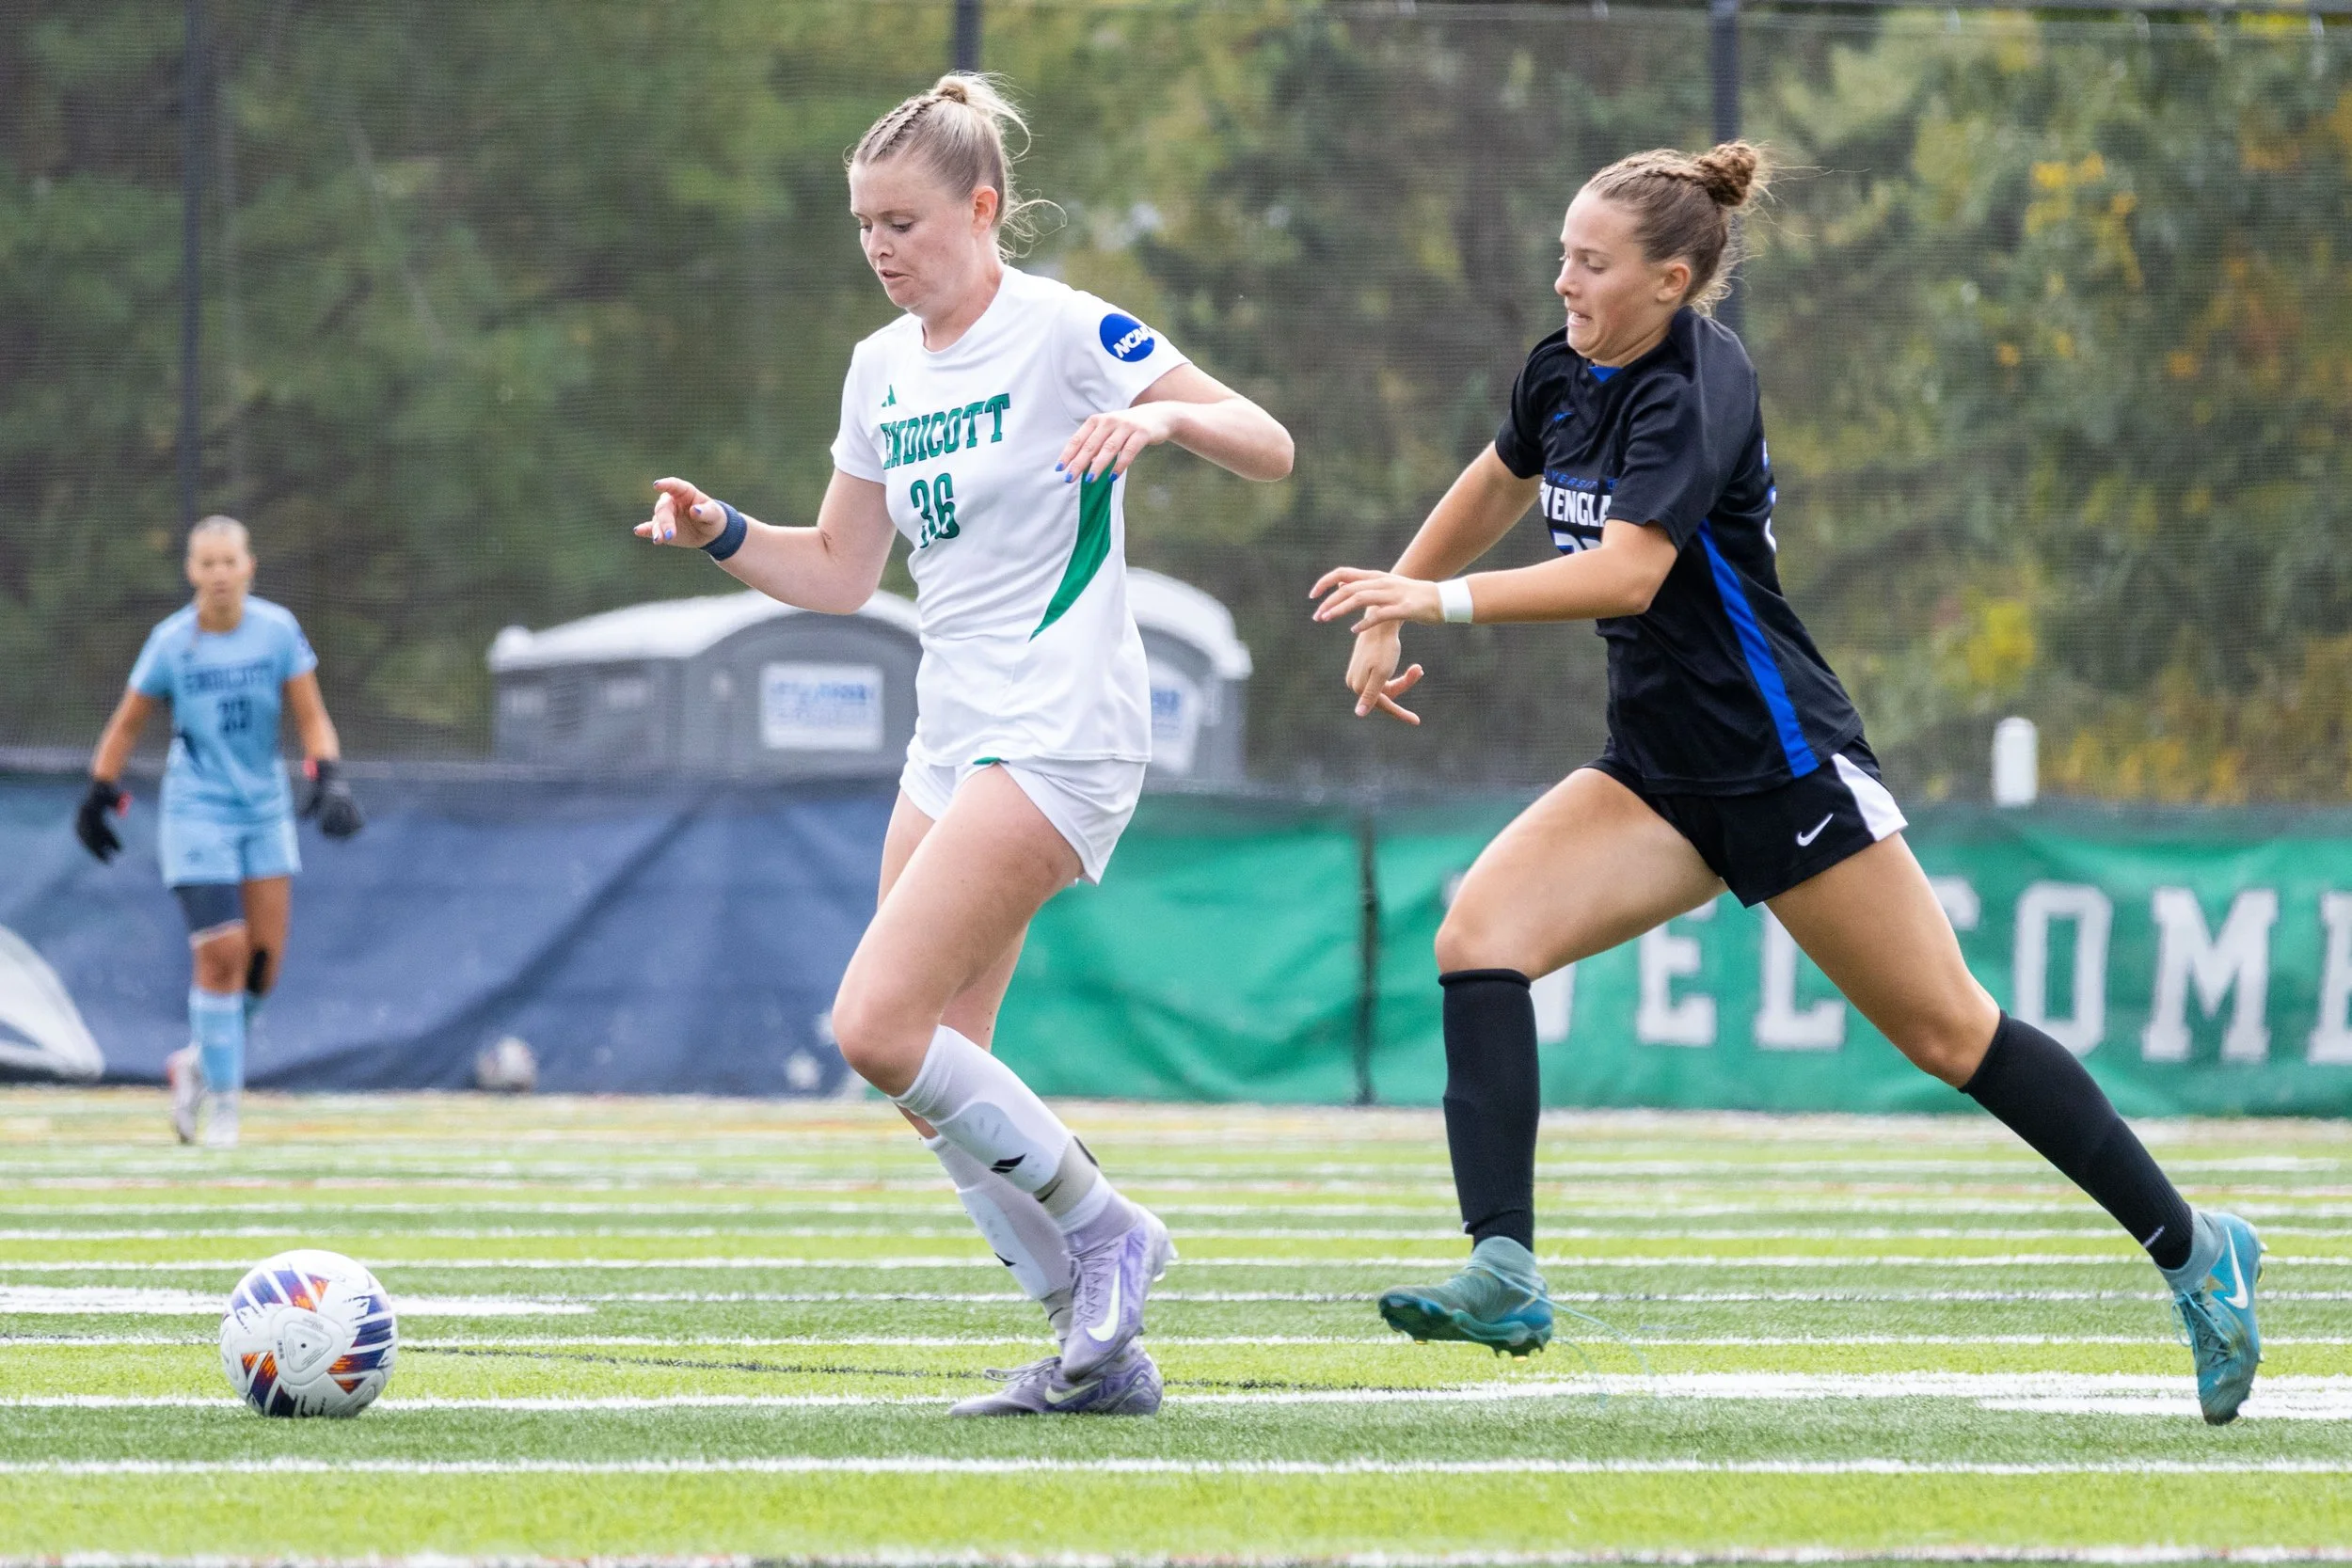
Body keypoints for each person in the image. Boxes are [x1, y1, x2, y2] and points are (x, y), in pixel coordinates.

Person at [1310, 142, 2263, 1426]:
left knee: (1950, 1034)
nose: (1565, 281)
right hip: (1655, 770)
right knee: (1479, 936)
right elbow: (1498, 477)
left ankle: (2196, 1251)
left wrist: (1438, 599)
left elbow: (1630, 573)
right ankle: (1507, 1266)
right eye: (1562, 256)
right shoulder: (1563, 367)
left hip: (1781, 764)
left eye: (1591, 264)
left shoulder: (1703, 380)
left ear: (1672, 278)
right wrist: (1393, 602)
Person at [634, 73, 1293, 1417]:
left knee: (875, 1023)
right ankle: (1089, 1348)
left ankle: (1111, 1232)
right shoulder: (880, 369)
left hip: (1062, 729)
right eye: (866, 225)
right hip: (952, 738)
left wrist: (1160, 414)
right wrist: (719, 531)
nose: (882, 248)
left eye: (907, 221)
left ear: (983, 209)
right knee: (934, 1080)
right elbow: (834, 570)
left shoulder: (1062, 330)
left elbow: (1267, 443)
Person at [77, 515, 364, 1148]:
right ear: (192, 572)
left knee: (263, 966)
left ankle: (197, 1064)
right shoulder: (171, 642)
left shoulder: (276, 630)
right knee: (222, 955)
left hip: (261, 807)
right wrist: (100, 789)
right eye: (206, 563)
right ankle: (226, 1110)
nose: (219, 574)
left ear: (249, 566)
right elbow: (126, 723)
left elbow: (312, 716)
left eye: (228, 561)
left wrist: (330, 777)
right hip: (196, 810)